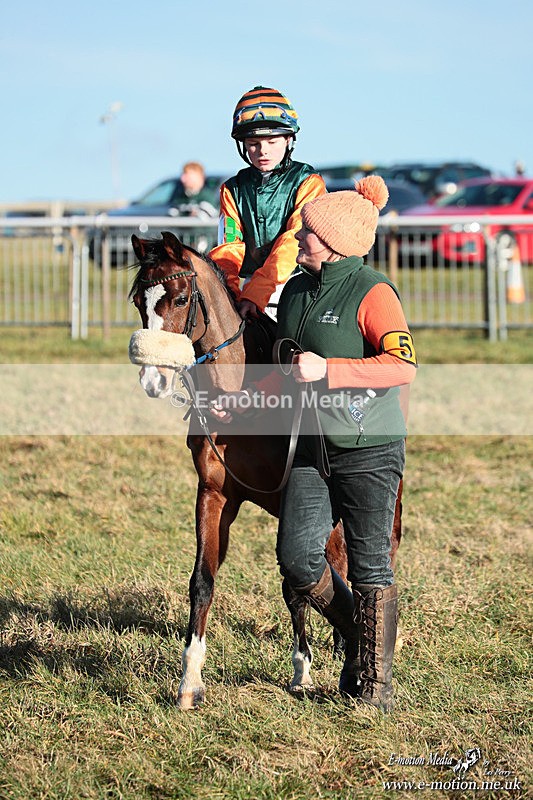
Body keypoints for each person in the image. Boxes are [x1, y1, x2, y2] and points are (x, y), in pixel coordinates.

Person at [210, 176, 417, 712]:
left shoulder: (373, 291)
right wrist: (245, 402)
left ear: (336, 242)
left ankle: (374, 688)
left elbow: (402, 366)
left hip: (368, 447)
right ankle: (359, 636)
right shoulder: (298, 291)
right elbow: (288, 369)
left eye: (308, 232)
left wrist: (331, 369)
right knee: (298, 559)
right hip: (309, 448)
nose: (298, 237)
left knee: (370, 567)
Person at [209, 86, 326, 321]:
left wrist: (257, 292)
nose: (263, 151)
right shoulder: (231, 189)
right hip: (250, 288)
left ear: (288, 139)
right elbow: (229, 246)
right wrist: (229, 293)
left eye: (272, 142)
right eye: (253, 143)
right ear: (243, 144)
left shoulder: (309, 182)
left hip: (302, 285)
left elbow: (294, 240)